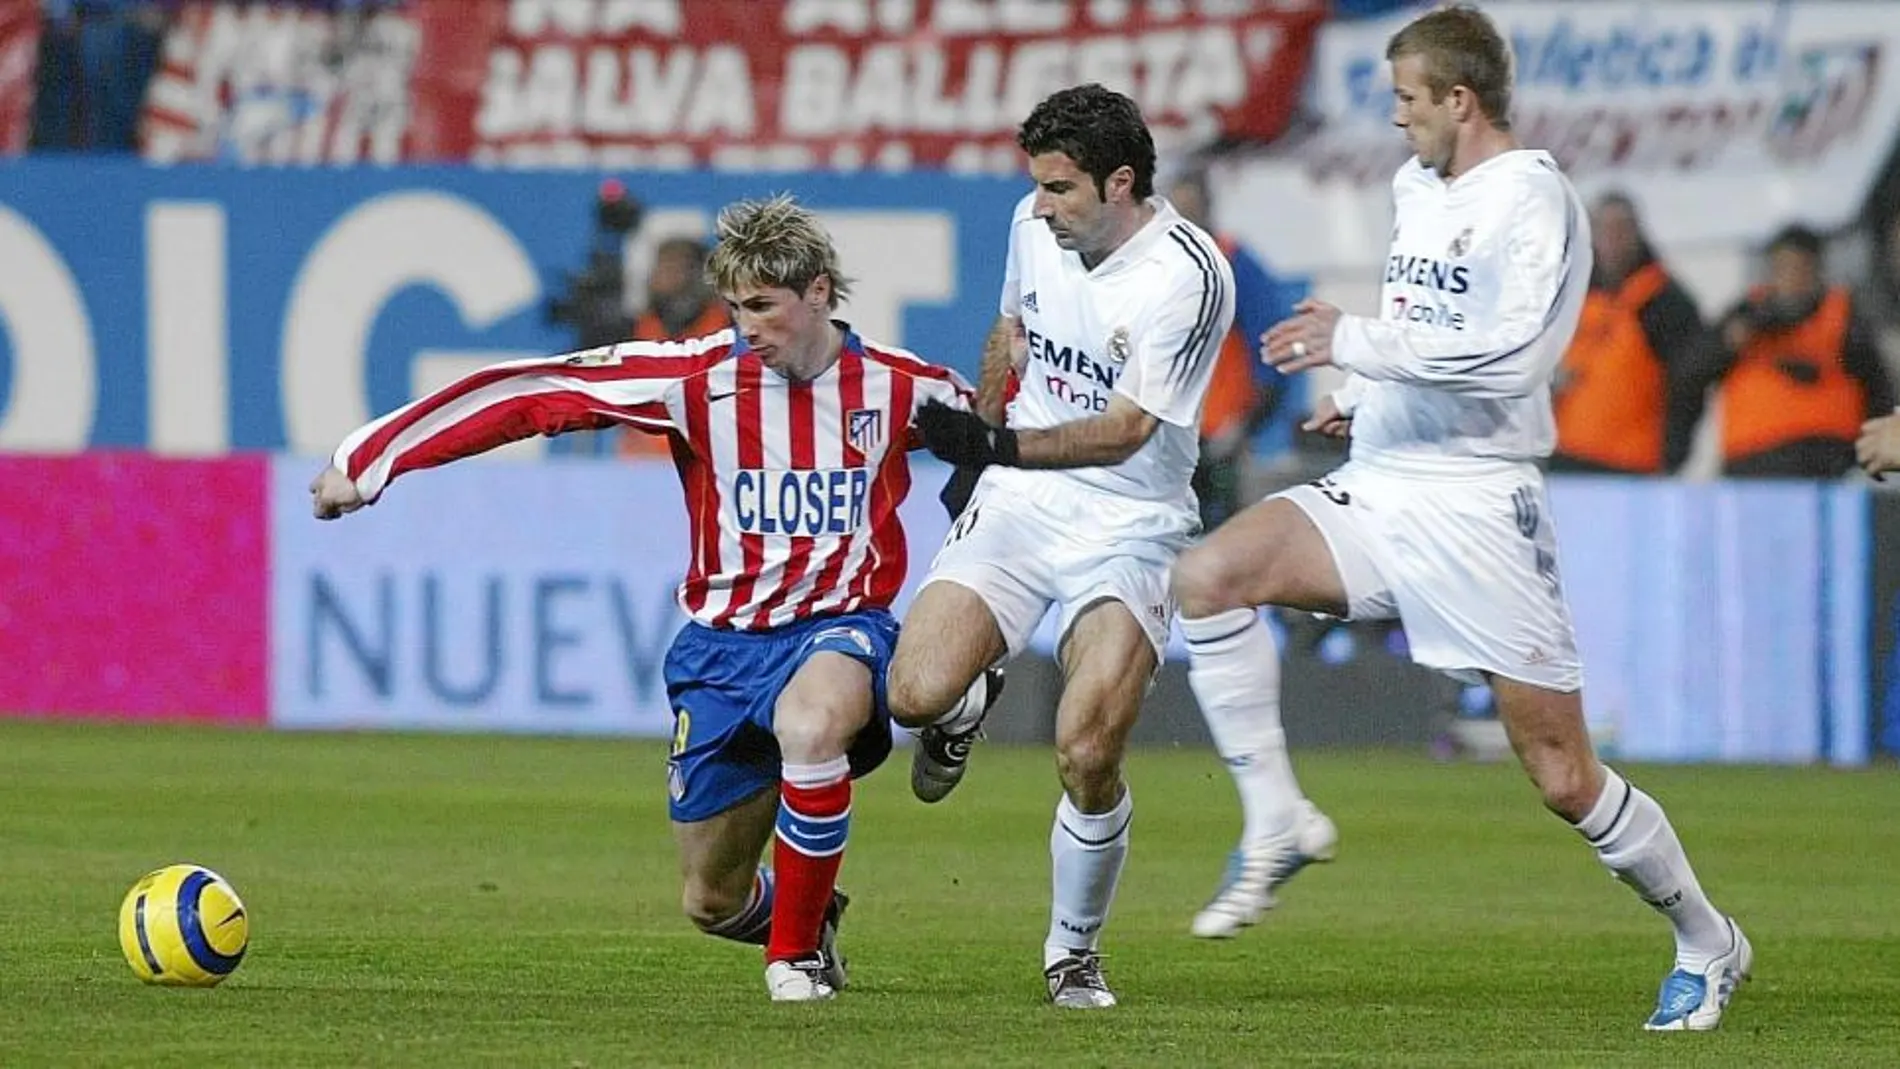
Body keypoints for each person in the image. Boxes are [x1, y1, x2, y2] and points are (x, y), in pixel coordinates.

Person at [1173, 5, 1750, 1031]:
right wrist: (1365, 390)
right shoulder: (1416, 187)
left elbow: (1512, 358)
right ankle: (1277, 817)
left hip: (1480, 505)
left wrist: (1353, 340)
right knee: (1209, 574)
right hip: (1388, 477)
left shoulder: (1534, 200)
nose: (1395, 121)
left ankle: (1707, 938)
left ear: (1459, 98)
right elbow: (1424, 326)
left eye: (1405, 99)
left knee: (1563, 776)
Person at [308, 195, 975, 1003]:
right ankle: (804, 913)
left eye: (764, 306)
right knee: (711, 898)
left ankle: (795, 958)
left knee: (812, 722)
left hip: (841, 630)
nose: (747, 326)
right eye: (736, 308)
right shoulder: (695, 380)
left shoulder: (908, 387)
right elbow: (534, 391)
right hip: (723, 652)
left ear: (821, 293)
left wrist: (967, 608)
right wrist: (370, 459)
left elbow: (1002, 461)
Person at [884, 83, 1328, 1008]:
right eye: (1038, 188)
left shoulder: (1189, 275)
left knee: (1087, 748)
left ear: (1119, 183)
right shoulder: (1030, 223)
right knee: (912, 693)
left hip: (1131, 522)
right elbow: (1009, 330)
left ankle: (1073, 951)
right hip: (1021, 501)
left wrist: (996, 444)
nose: (1040, 208)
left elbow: (1128, 429)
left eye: (1059, 190)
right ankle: (966, 705)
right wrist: (983, 434)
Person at [1668, 225, 1895, 477]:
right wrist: (1728, 343)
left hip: (1828, 463)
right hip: (1752, 464)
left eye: (1802, 268)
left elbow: (1877, 391)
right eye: (1784, 268)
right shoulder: (1746, 315)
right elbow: (1690, 373)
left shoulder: (1843, 317)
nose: (1793, 278)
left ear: (1818, 271)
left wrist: (1875, 463)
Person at [1166, 171, 1299, 528]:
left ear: (1209, 208)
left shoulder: (1235, 264)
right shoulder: (1156, 269)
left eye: (1191, 209)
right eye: (1177, 211)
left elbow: (1272, 347)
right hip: (1167, 433)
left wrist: (1244, 424)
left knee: (1222, 534)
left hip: (1221, 434)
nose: (1184, 220)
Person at [1549, 191, 1705, 474]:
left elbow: (1689, 383)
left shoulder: (1666, 301)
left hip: (1634, 464)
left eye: (1622, 227)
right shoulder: (1569, 290)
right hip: (1566, 458)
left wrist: (1674, 454)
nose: (1613, 237)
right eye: (1604, 228)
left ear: (1638, 232)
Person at [619, 237, 731, 458]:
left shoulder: (727, 328)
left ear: (697, 276)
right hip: (638, 463)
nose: (661, 276)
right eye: (660, 266)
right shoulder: (638, 327)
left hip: (707, 457)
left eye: (673, 268)